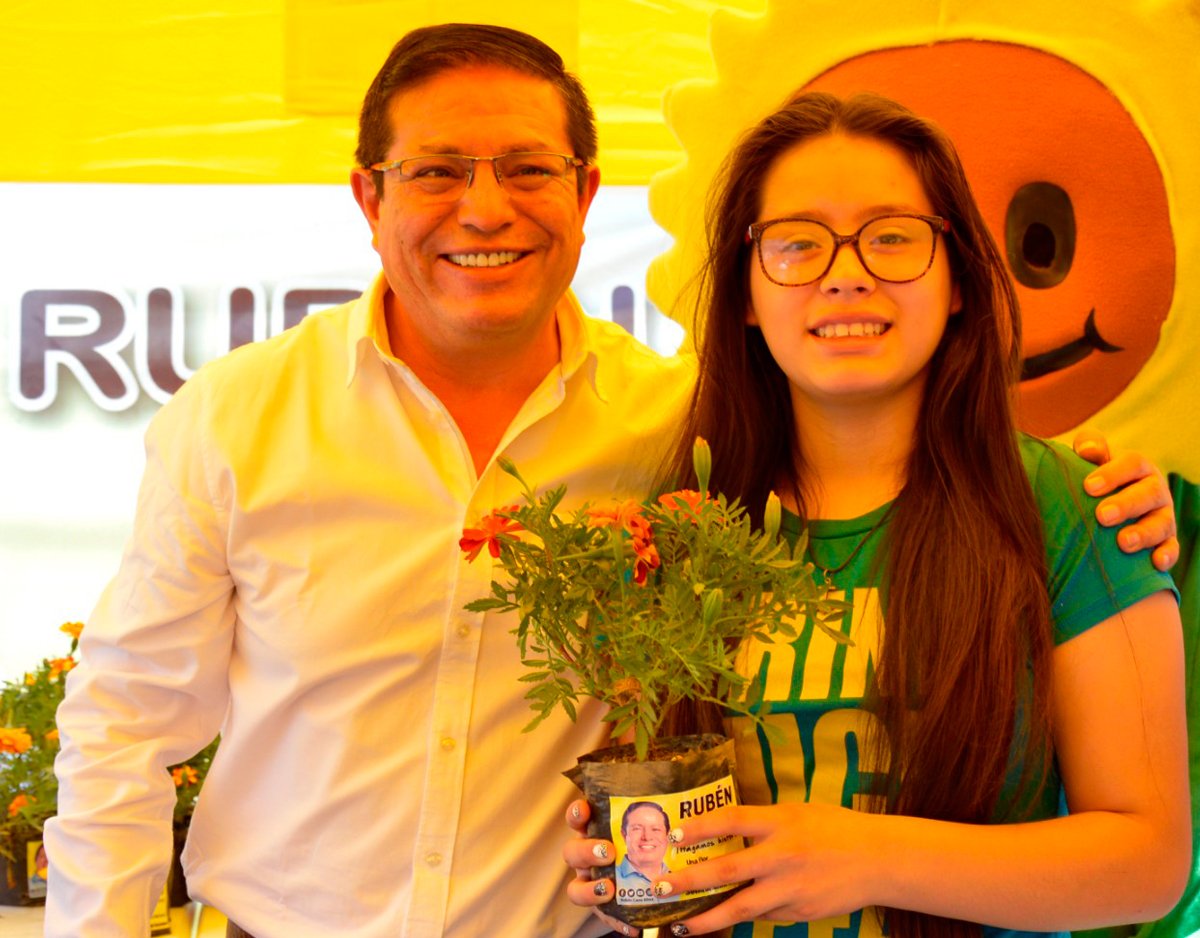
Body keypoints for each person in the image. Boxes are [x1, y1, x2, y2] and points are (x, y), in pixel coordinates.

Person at [43, 24, 1176, 938]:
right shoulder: (242, 415)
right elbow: (123, 723)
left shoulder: (680, 437)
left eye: (528, 168)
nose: (484, 207)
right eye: (435, 169)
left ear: (587, 195)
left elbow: (1142, 850)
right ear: (367, 195)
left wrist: (1114, 488)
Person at [563, 92, 1189, 938]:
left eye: (892, 237)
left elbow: (1146, 864)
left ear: (960, 276)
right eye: (796, 244)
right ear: (747, 292)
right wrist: (626, 854)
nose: (845, 272)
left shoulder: (1071, 511)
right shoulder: (685, 526)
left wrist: (864, 856)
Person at [616, 802, 674, 897]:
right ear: (624, 835)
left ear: (667, 835)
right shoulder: (611, 879)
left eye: (655, 829)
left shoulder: (678, 877)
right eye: (637, 829)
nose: (647, 837)